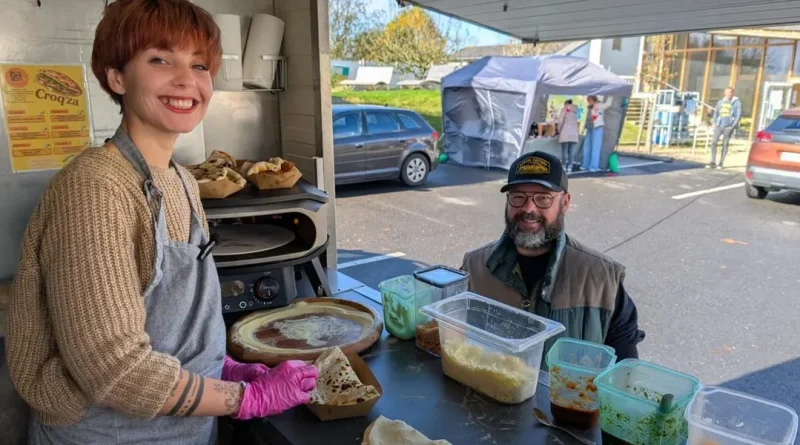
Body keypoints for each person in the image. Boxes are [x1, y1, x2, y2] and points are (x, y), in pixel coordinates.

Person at [6, 1, 317, 443]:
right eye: (159, 59)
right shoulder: (94, 188)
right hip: (108, 434)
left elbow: (173, 325)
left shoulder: (180, 181)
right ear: (117, 76)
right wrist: (244, 398)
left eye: (199, 64)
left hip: (184, 428)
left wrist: (220, 365)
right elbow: (113, 369)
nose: (187, 79)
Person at [461, 151, 645, 360]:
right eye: (518, 197)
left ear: (565, 203)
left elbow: (624, 369)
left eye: (543, 198)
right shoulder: (474, 268)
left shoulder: (603, 279)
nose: (529, 208)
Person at [708, 87, 741, 169]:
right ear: (724, 93)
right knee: (713, 142)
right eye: (726, 92)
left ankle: (721, 162)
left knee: (725, 144)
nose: (728, 94)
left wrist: (732, 126)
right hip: (719, 125)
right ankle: (712, 161)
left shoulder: (737, 102)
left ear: (732, 93)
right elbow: (716, 113)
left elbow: (738, 115)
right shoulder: (720, 102)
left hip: (728, 127)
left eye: (730, 92)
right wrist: (715, 123)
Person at [581, 95, 613, 172]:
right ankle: (589, 166)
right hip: (593, 127)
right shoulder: (594, 106)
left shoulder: (595, 106)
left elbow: (608, 104)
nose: (589, 102)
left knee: (591, 147)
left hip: (594, 127)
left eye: (590, 100)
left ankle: (589, 165)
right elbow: (608, 104)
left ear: (594, 100)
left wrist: (611, 95)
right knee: (591, 147)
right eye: (588, 100)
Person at [557, 100, 579, 172]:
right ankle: (570, 166)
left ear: (566, 104)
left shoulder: (564, 109)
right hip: (573, 133)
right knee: (571, 150)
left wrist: (558, 130)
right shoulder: (575, 111)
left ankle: (563, 165)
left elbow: (560, 121)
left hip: (565, 132)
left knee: (564, 150)